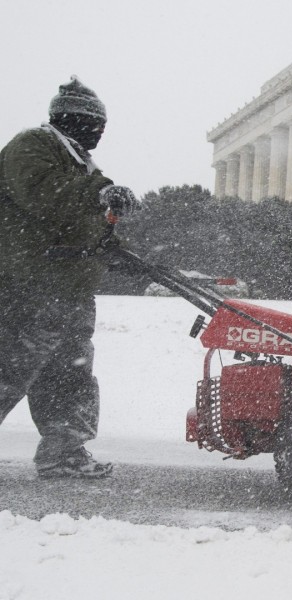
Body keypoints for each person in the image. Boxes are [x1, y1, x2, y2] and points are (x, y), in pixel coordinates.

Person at [0, 76, 139, 478]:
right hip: (28, 286)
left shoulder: (79, 162)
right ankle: (63, 451)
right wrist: (98, 194)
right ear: (71, 119)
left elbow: (83, 225)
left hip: (69, 292)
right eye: (96, 125)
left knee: (68, 374)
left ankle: (63, 452)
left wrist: (119, 251)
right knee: (9, 369)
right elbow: (43, 192)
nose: (100, 133)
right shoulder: (34, 146)